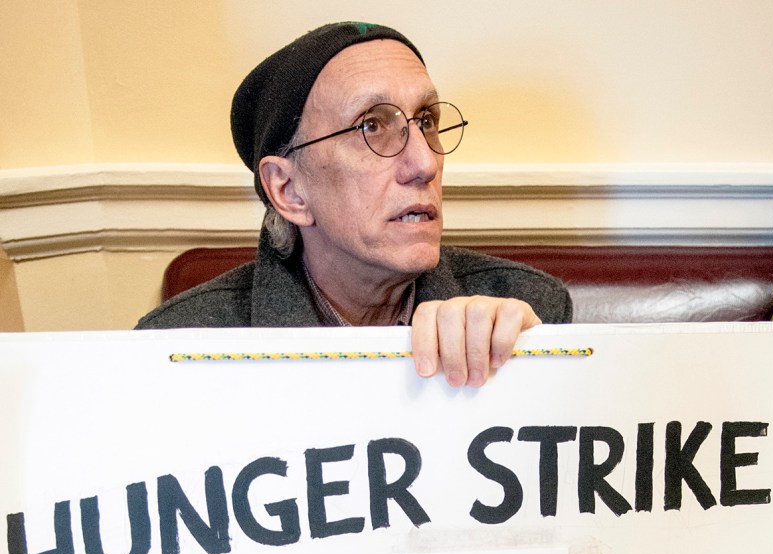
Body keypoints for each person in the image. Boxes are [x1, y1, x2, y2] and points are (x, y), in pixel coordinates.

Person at [136, 22, 572, 387]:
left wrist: (531, 370)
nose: (424, 163)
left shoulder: (527, 308)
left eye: (426, 121)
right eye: (370, 126)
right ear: (288, 190)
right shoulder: (179, 347)